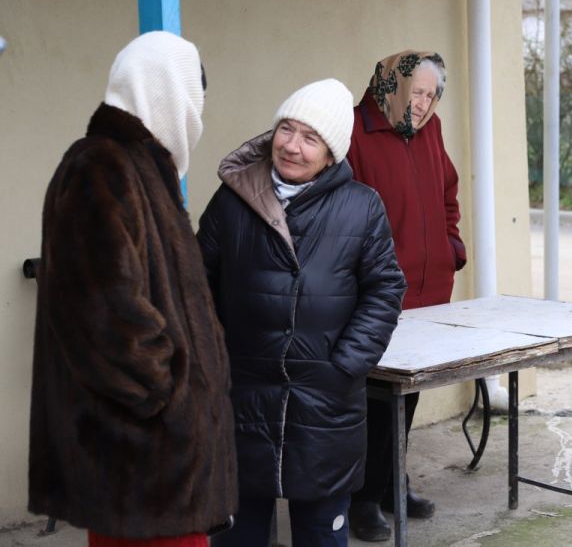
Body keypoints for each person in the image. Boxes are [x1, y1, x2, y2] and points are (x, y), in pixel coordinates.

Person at [29, 31, 237, 546]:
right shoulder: (100, 166)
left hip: (162, 470)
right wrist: (170, 397)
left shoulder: (144, 172)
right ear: (165, 93)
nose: (197, 118)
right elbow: (102, 315)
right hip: (143, 465)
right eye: (194, 101)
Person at [197, 79, 406, 547]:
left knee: (320, 532)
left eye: (310, 138)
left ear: (331, 154)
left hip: (324, 403)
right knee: (238, 533)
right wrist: (215, 358)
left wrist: (346, 363)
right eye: (286, 130)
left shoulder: (361, 207)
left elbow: (385, 289)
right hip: (242, 397)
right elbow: (197, 284)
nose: (292, 146)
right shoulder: (233, 199)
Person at [346, 51, 467, 542]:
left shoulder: (430, 131)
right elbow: (343, 209)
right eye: (413, 92)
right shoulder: (356, 132)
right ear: (390, 86)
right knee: (372, 398)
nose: (421, 104)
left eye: (430, 95)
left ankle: (394, 480)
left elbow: (447, 194)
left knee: (408, 393)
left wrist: (450, 245)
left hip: (429, 287)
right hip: (376, 292)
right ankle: (361, 496)